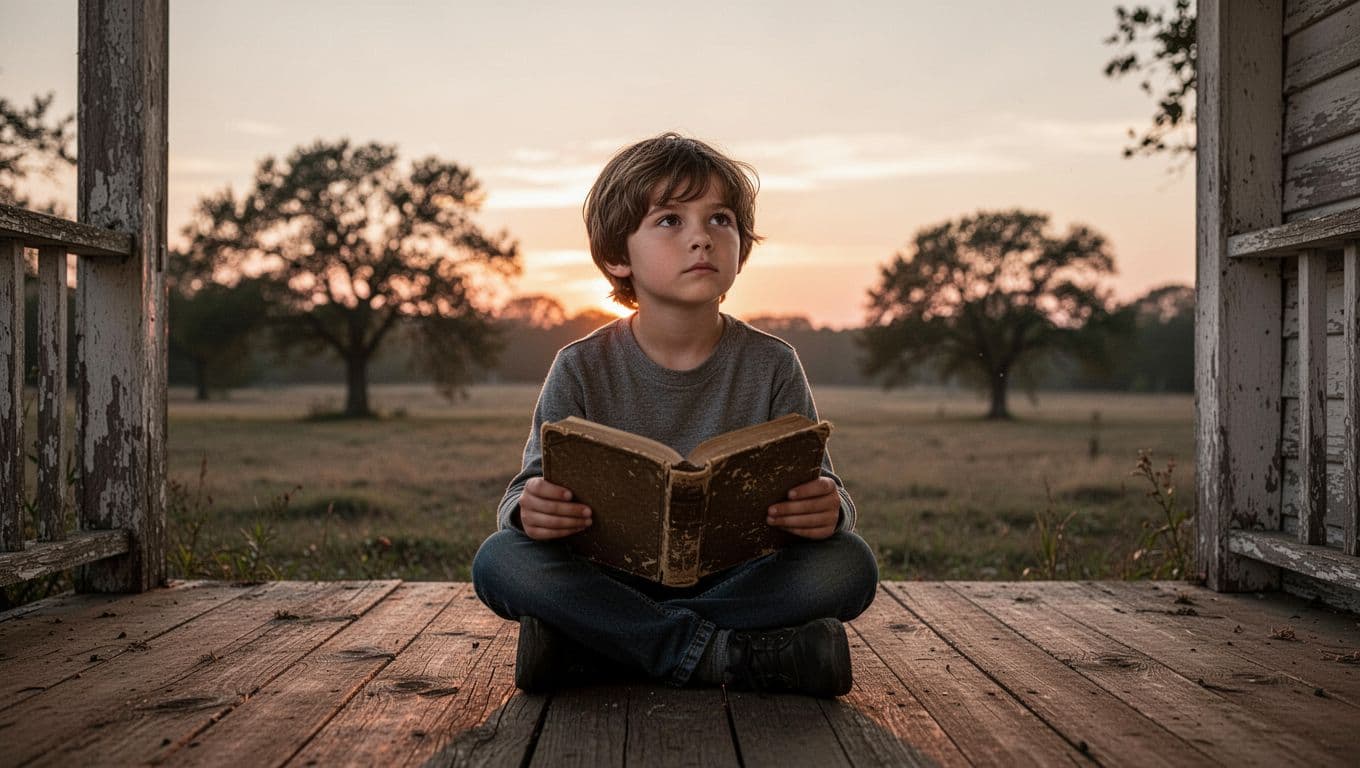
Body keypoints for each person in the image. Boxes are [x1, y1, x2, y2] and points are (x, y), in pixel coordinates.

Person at [471, 133, 878, 697]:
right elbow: (523, 493)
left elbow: (821, 483)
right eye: (669, 221)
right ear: (618, 255)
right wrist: (529, 512)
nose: (701, 238)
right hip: (607, 576)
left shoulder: (773, 364)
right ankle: (723, 655)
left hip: (738, 579)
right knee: (500, 560)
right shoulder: (580, 366)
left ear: (741, 244)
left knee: (848, 566)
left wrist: (830, 512)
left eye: (720, 220)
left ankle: (598, 644)